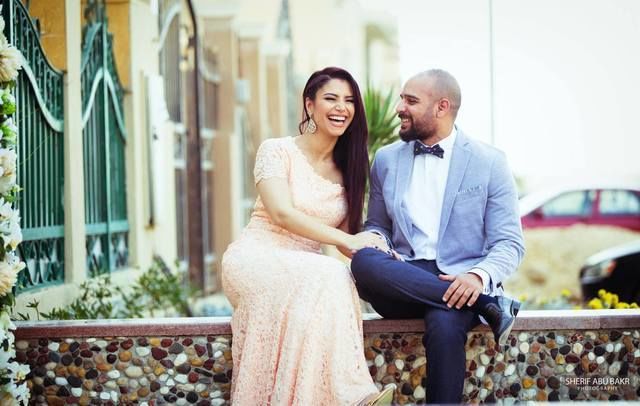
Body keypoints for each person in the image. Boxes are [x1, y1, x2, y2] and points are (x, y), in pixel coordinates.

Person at [221, 67, 395, 405]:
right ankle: (356, 396)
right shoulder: (276, 150)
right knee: (330, 273)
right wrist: (347, 241)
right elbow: (281, 213)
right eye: (331, 98)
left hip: (308, 273)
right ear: (309, 105)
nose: (341, 107)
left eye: (349, 100)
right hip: (255, 257)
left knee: (329, 285)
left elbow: (351, 240)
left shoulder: (351, 170)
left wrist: (388, 256)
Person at [350, 69, 525, 404]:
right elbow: (377, 226)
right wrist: (379, 243)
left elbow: (509, 242)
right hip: (401, 279)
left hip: (462, 279)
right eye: (401, 99)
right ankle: (488, 306)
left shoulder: (489, 162)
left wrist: (477, 277)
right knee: (363, 259)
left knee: (445, 327)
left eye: (411, 101)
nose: (399, 108)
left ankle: (474, 298)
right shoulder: (386, 160)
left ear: (442, 107)